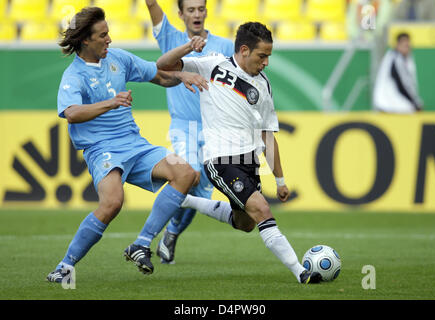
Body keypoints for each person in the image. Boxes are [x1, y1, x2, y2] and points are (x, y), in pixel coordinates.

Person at [46, 6, 209, 283]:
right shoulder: (74, 76)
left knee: (186, 174)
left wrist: (182, 76)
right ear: (86, 39)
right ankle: (64, 268)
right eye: (103, 35)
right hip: (102, 148)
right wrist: (111, 102)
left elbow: (159, 75)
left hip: (136, 145)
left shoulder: (118, 59)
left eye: (108, 33)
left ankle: (141, 244)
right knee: (112, 203)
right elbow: (72, 113)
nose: (109, 39)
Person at [156, 22, 322, 284]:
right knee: (262, 209)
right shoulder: (212, 65)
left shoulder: (264, 86)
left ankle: (186, 200)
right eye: (262, 56)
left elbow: (268, 135)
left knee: (245, 223)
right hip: (219, 160)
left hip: (249, 162)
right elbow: (162, 65)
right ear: (244, 50)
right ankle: (301, 272)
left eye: (269, 56)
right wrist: (189, 46)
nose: (266, 62)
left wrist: (280, 180)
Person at [143, 0, 234, 265]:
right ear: (181, 14)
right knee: (189, 176)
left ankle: (171, 233)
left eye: (201, 9)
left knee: (199, 193)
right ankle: (148, 236)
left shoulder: (225, 46)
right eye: (191, 10)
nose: (196, 14)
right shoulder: (171, 37)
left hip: (215, 129)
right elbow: (150, 4)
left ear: (206, 12)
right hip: (184, 126)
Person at [373, 32, 423, 113]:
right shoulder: (395, 58)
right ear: (397, 45)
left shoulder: (405, 59)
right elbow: (401, 83)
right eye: (404, 45)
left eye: (408, 46)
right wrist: (414, 103)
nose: (407, 48)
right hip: (389, 104)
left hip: (392, 104)